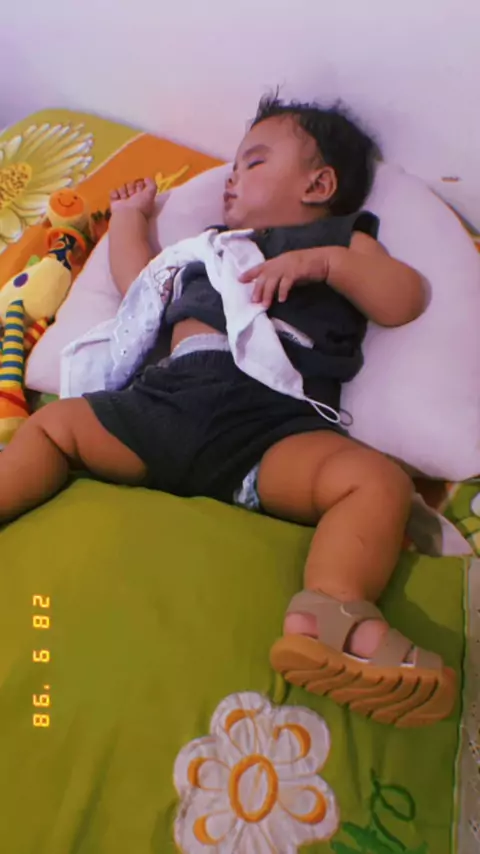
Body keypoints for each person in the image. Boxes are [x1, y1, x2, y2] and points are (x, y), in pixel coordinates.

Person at [1, 96, 454, 726]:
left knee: (376, 481)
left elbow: (402, 299)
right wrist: (130, 218)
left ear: (318, 184)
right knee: (53, 427)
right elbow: (142, 287)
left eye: (253, 162)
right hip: (165, 405)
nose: (231, 178)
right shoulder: (208, 249)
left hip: (270, 428)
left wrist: (325, 264)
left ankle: (332, 610)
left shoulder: (342, 240)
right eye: (233, 167)